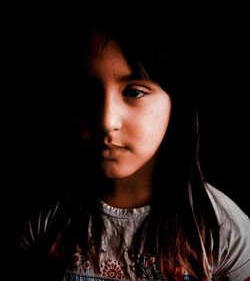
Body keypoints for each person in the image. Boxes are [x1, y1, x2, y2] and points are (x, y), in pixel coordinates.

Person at [18, 17, 250, 281]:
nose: (107, 121)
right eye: (89, 92)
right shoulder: (50, 218)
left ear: (175, 102)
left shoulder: (218, 226)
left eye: (134, 92)